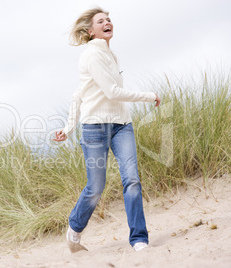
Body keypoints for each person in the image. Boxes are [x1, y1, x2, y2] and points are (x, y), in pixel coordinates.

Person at [53, 7, 161, 253]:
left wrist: (68, 127)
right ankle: (75, 227)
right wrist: (69, 128)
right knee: (96, 188)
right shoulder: (91, 56)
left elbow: (81, 93)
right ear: (90, 31)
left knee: (132, 180)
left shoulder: (111, 55)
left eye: (109, 19)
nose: (107, 22)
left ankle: (139, 238)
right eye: (101, 21)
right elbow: (106, 92)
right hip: (95, 128)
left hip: (122, 125)